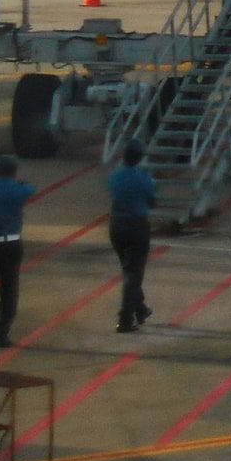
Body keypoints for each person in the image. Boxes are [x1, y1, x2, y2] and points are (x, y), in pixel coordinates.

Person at [0, 155, 35, 348]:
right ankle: (1, 334)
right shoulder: (20, 190)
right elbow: (30, 187)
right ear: (14, 171)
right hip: (11, 245)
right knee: (9, 290)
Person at [107, 143, 155, 333]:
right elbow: (152, 202)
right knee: (133, 274)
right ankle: (125, 319)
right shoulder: (144, 178)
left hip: (117, 225)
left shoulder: (115, 176)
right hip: (137, 226)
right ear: (139, 158)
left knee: (128, 269)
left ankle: (140, 308)